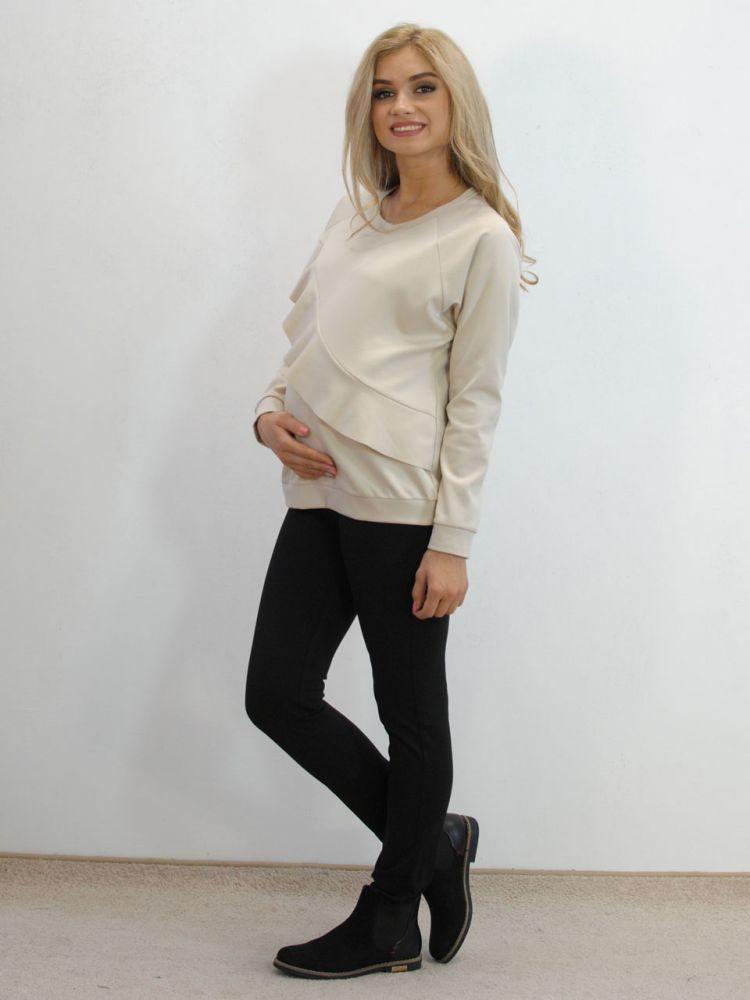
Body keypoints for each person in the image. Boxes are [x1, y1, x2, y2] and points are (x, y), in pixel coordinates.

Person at [245, 21, 537, 980]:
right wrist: (267, 415)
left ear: (455, 103)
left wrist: (452, 541)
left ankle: (388, 918)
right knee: (277, 694)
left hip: (406, 510)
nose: (400, 107)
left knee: (409, 714)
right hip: (318, 494)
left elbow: (476, 400)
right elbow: (304, 339)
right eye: (383, 91)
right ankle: (434, 845)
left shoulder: (482, 238)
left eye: (422, 88)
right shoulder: (355, 215)